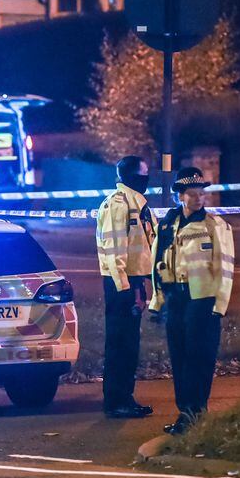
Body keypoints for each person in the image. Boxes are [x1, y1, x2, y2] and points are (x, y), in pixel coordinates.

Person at [150, 167, 234, 435]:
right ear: (180, 197)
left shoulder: (214, 225)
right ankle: (185, 413)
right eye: (193, 194)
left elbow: (225, 268)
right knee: (180, 358)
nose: (199, 198)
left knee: (200, 358)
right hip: (177, 299)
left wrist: (219, 305)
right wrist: (157, 301)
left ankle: (196, 412)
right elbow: (157, 263)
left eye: (201, 193)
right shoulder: (167, 224)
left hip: (203, 300)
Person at [95, 156, 157, 419]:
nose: (147, 178)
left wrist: (142, 285)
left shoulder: (138, 204)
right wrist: (125, 288)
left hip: (133, 280)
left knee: (130, 344)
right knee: (120, 343)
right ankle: (116, 400)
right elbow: (115, 248)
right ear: (131, 176)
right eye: (144, 173)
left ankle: (125, 397)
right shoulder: (118, 205)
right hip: (121, 282)